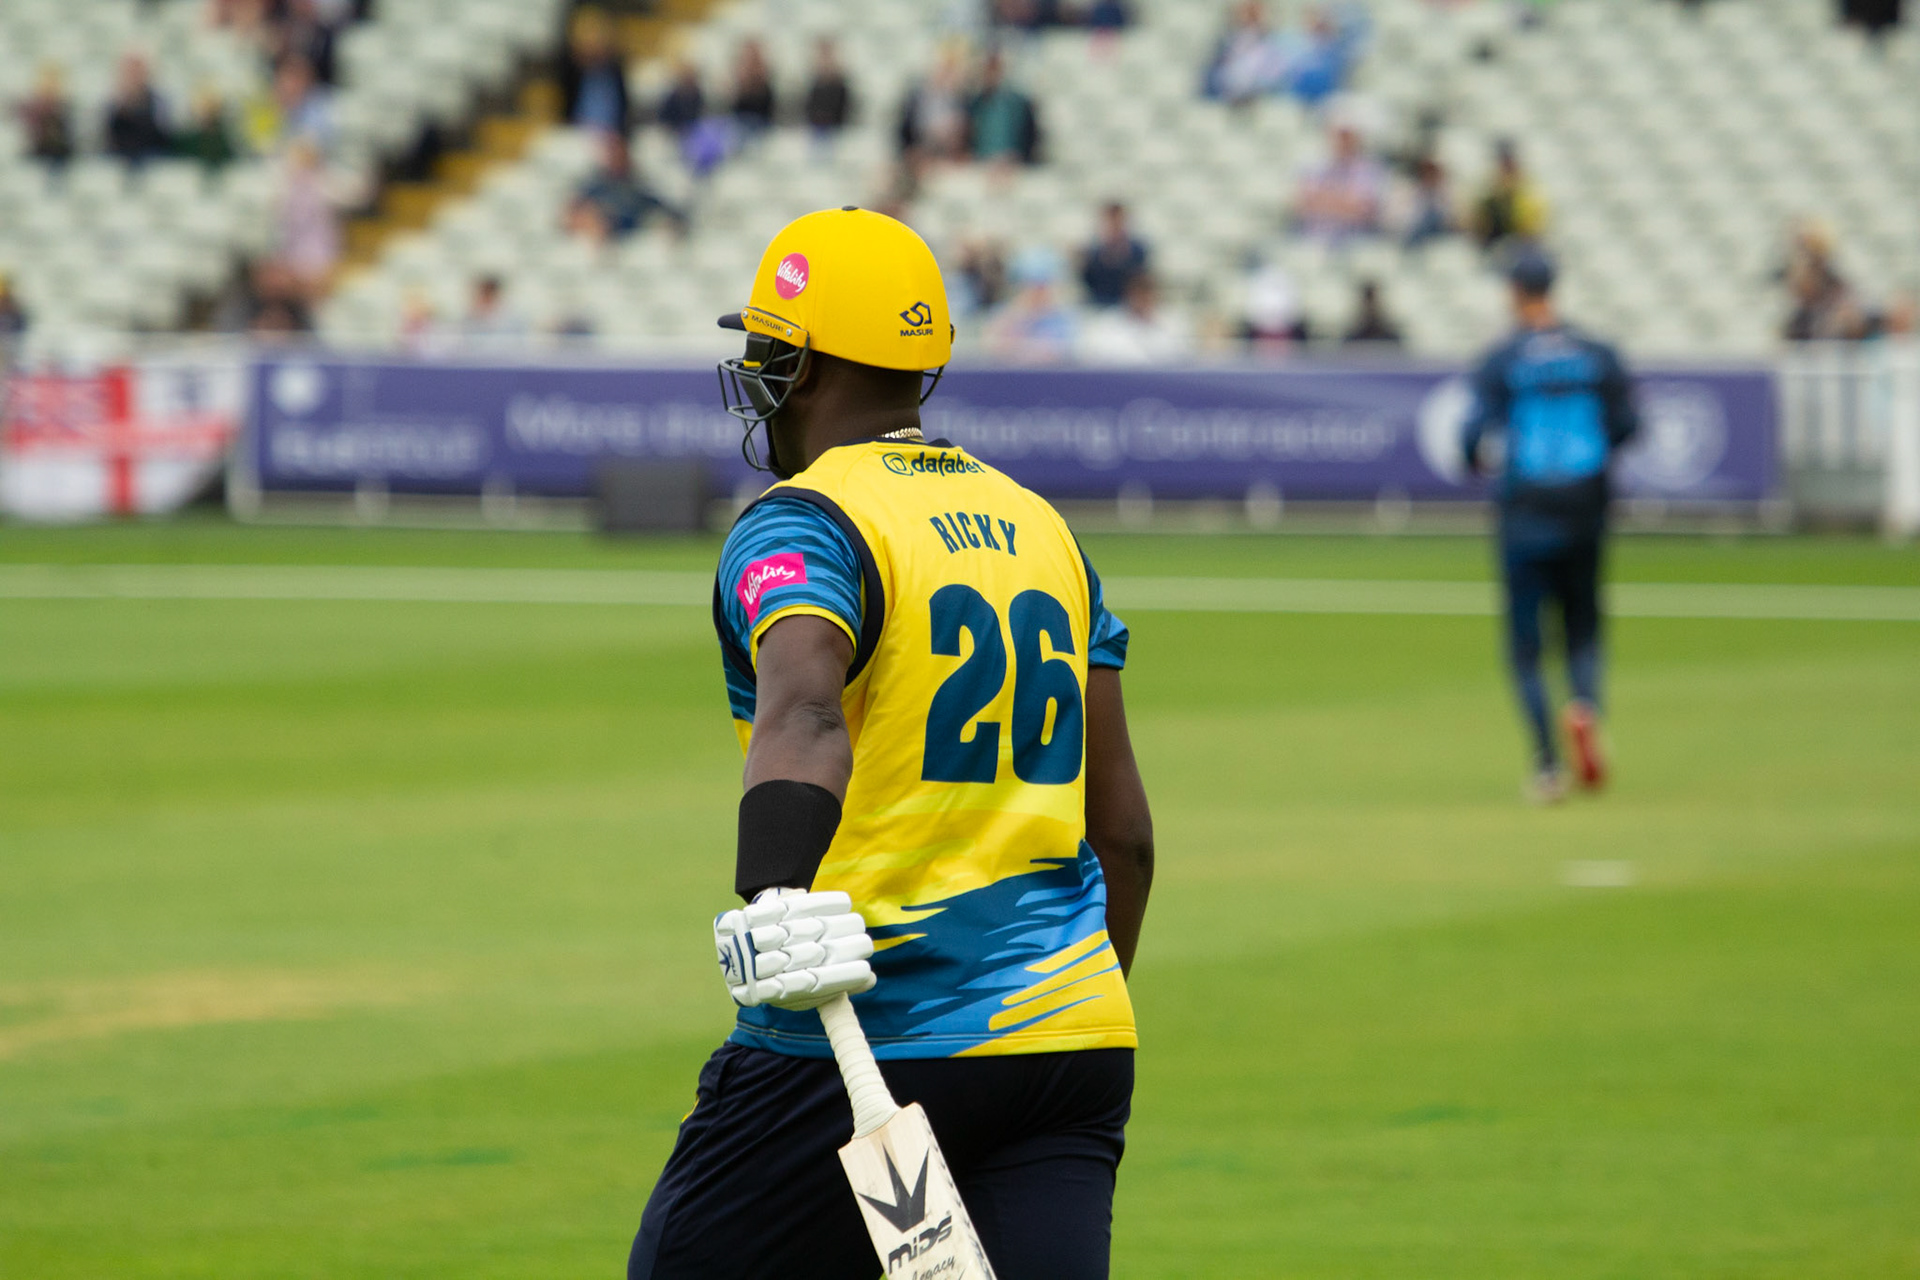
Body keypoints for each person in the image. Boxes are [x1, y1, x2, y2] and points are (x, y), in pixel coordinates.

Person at [629, 206, 1152, 1280]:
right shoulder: (1046, 527)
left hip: (871, 1030)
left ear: (803, 364)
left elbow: (806, 711)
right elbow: (1126, 835)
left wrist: (771, 895)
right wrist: (1057, 1005)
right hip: (1071, 1039)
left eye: (769, 352)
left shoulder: (805, 520)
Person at [1461, 250, 1639, 803]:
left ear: (1514, 290)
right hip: (1586, 506)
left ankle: (1545, 765)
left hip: (1526, 508)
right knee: (1582, 628)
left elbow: (1471, 439)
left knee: (1526, 645)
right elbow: (1628, 425)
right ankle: (1584, 707)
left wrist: (1480, 463)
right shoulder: (1597, 352)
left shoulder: (1502, 358)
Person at [566, 132, 685, 242]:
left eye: (621, 152)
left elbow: (664, 210)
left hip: (633, 240)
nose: (617, 157)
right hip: (599, 241)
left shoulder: (637, 188)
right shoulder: (593, 187)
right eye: (612, 152)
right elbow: (570, 214)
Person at [1291, 123, 1384, 244]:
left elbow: (1363, 211)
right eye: (1339, 136)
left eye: (1347, 137)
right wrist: (1344, 201)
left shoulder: (1370, 169)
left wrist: (1323, 199)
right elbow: (1302, 203)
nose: (1343, 142)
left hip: (1353, 241)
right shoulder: (1316, 165)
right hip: (1313, 238)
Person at [1078, 272, 1194, 364]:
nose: (1143, 299)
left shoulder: (1173, 324)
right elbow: (1092, 359)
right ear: (1127, 294)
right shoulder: (1105, 326)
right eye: (1138, 293)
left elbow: (1185, 359)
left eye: (1147, 293)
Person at [560, 9, 631, 135]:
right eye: (586, 36)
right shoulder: (567, 71)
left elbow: (624, 113)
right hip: (574, 136)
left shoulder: (616, 71)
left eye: (596, 35)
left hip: (611, 137)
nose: (592, 42)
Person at [967, 50, 1042, 167]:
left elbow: (1029, 134)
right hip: (982, 164)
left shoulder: (1019, 103)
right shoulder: (976, 103)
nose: (990, 76)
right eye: (987, 72)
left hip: (1012, 164)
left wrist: (1019, 156)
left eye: (994, 71)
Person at [1470, 139, 1549, 250]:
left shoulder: (1528, 193)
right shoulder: (1489, 195)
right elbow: (1478, 224)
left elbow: (1531, 227)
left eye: (1509, 166)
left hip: (1521, 243)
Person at [1079, 201, 1149, 309]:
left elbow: (1139, 279)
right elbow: (1088, 281)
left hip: (1128, 305)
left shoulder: (1137, 250)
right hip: (1098, 304)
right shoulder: (1093, 251)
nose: (1116, 225)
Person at [106, 54, 171, 165]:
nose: (134, 76)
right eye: (131, 71)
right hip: (120, 156)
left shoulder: (157, 101)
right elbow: (110, 135)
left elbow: (162, 135)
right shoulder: (113, 102)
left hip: (151, 155)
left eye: (137, 71)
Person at [19, 65, 76, 167]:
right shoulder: (29, 114)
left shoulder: (69, 112)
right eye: (47, 81)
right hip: (35, 166)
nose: (50, 86)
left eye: (54, 82)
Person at [173, 86, 239, 170]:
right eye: (205, 108)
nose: (209, 113)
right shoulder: (186, 141)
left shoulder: (227, 141)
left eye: (213, 108)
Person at [802, 37, 853, 138]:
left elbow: (844, 111)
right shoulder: (811, 84)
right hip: (813, 132)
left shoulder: (841, 85)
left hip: (836, 133)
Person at [729, 39, 777, 135]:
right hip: (741, 124)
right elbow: (735, 107)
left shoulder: (765, 78)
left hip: (762, 125)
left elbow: (766, 105)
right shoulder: (740, 80)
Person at [1342, 279, 1402, 345]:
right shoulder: (1352, 339)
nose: (1371, 307)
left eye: (1373, 301)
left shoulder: (1391, 338)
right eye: (1368, 302)